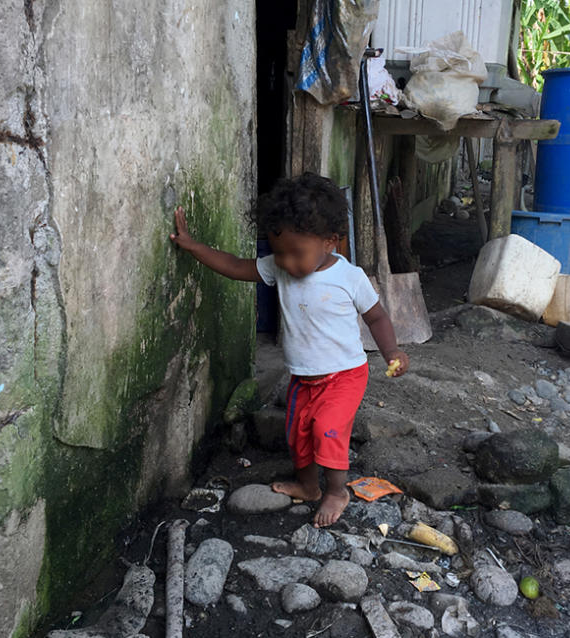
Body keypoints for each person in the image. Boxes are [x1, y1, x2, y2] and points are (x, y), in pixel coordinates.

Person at [169, 172, 409, 527]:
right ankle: (308, 485)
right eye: (278, 252)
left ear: (331, 241)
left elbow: (377, 318)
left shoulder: (349, 277)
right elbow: (235, 266)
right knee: (298, 433)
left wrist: (393, 352)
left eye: (296, 254)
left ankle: (335, 491)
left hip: (344, 375)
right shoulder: (280, 268)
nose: (286, 262)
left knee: (327, 428)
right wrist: (193, 246)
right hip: (303, 377)